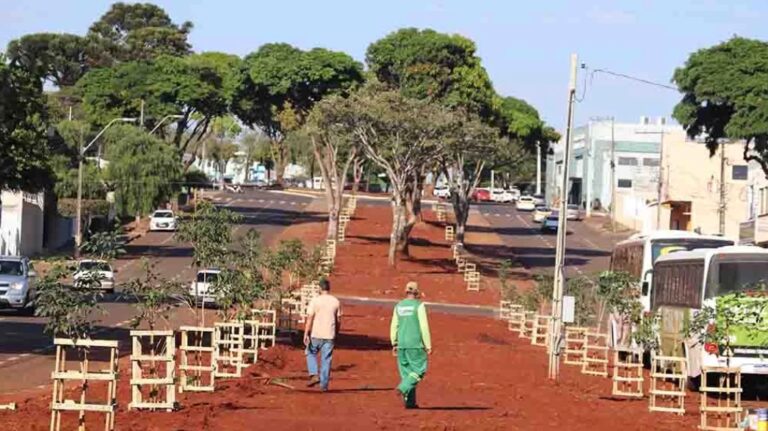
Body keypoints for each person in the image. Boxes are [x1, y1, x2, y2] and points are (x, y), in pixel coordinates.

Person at [390, 281, 432, 409]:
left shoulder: (399, 306)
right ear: (417, 292)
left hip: (402, 344)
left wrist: (394, 343)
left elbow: (394, 325)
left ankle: (410, 402)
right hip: (415, 344)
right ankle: (402, 388)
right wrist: (428, 344)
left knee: (407, 375)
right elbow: (424, 326)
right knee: (419, 371)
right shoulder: (419, 306)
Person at [303, 279, 341, 392]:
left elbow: (309, 318)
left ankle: (314, 374)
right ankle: (324, 385)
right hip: (329, 334)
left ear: (320, 288)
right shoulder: (335, 301)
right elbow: (338, 319)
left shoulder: (315, 301)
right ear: (329, 288)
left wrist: (306, 333)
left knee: (310, 352)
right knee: (326, 359)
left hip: (316, 334)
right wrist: (337, 332)